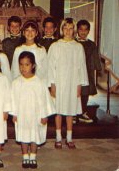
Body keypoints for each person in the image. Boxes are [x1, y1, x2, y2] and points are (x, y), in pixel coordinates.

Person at [48, 18, 88, 149]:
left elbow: (81, 67)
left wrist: (79, 85)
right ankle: (58, 137)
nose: (68, 31)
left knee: (70, 111)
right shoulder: (55, 46)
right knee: (58, 111)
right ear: (61, 29)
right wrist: (52, 84)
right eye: (65, 28)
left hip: (72, 82)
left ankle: (69, 138)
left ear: (74, 30)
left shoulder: (78, 47)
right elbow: (51, 66)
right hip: (59, 82)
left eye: (71, 28)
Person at [11, 51, 55, 169]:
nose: (23, 68)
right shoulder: (16, 83)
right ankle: (25, 156)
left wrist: (44, 115)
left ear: (33, 65)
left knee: (35, 135)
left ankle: (33, 157)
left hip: (36, 115)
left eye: (27, 64)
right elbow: (12, 99)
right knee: (24, 135)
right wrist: (14, 113)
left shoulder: (39, 82)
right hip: (22, 115)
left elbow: (45, 100)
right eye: (21, 64)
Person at [76, 19, 102, 123]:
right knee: (75, 93)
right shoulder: (74, 43)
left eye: (85, 29)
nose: (83, 32)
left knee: (85, 92)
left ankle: (82, 112)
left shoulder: (92, 44)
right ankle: (74, 113)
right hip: (76, 72)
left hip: (87, 71)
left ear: (89, 31)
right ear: (77, 30)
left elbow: (95, 59)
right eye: (81, 29)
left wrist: (97, 68)